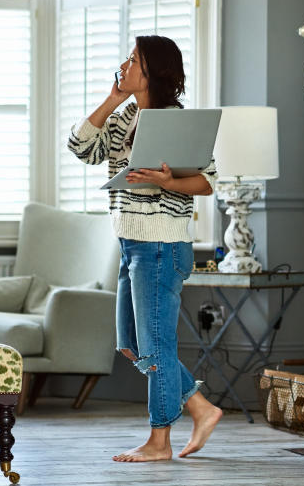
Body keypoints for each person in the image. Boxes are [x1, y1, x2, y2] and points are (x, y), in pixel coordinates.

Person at [67, 35, 223, 462]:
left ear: (152, 70)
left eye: (133, 59)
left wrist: (167, 182)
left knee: (154, 345)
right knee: (133, 344)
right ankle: (200, 406)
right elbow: (80, 147)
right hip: (130, 241)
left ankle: (159, 441)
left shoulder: (176, 120)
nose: (124, 64)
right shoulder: (125, 117)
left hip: (160, 243)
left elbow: (209, 180)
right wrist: (111, 98)